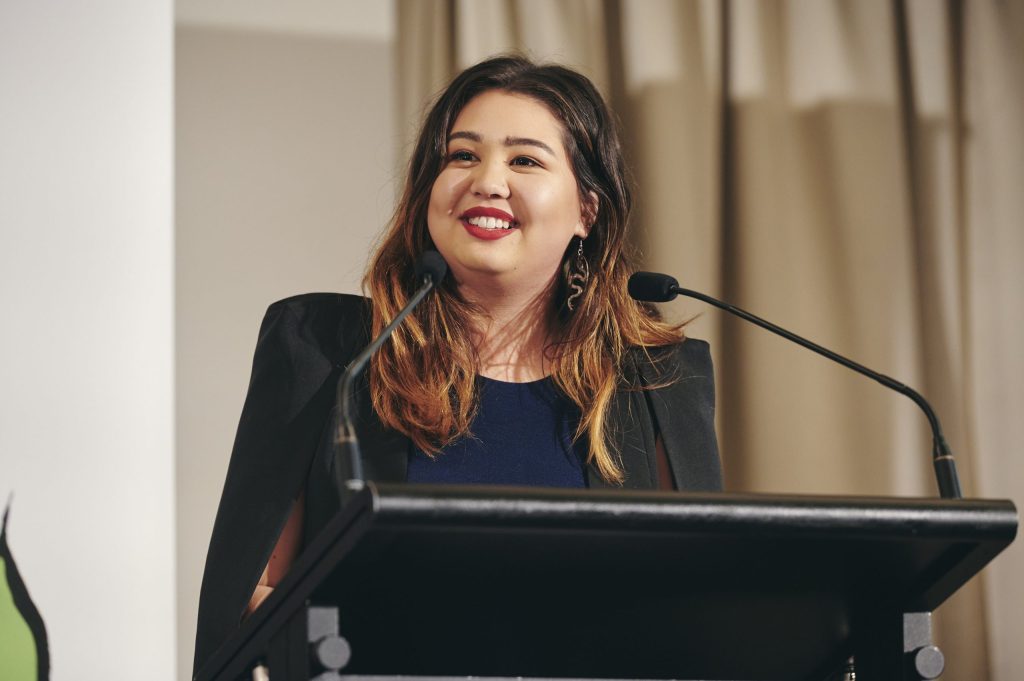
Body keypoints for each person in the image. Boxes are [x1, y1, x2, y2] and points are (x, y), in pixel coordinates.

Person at [193, 55, 722, 676]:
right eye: (462, 156)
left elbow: (696, 621)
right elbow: (248, 602)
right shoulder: (327, 350)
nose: (487, 180)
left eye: (524, 159)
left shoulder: (656, 380)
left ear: (588, 209)